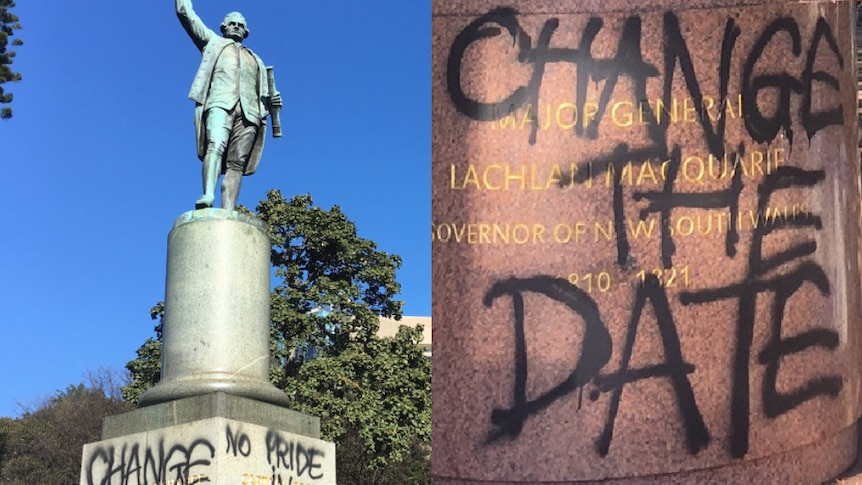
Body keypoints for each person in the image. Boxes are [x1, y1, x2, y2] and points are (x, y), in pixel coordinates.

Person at [176, 0, 282, 210]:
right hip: (219, 103)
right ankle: (207, 195)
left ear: (246, 31)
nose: (236, 26)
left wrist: (273, 102)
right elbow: (185, 13)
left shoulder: (256, 59)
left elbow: (264, 95)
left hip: (250, 113)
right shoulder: (212, 43)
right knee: (215, 144)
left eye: (241, 25)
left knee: (237, 164)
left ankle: (228, 210)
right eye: (232, 23)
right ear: (223, 27)